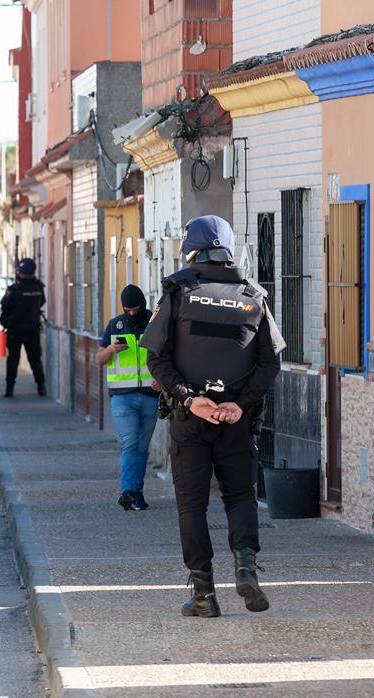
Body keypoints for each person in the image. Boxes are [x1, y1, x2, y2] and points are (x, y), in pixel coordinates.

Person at [139, 215, 284, 618]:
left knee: (192, 505)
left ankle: (204, 594)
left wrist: (189, 399)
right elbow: (270, 362)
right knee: (240, 497)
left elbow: (156, 358)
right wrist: (240, 403)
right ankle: (246, 569)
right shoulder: (253, 294)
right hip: (236, 419)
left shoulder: (179, 290)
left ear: (192, 248)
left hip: (192, 418)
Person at [96, 284, 158, 511]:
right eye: (128, 310)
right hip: (123, 397)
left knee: (142, 447)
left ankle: (137, 492)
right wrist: (111, 349)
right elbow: (99, 359)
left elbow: (168, 355)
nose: (132, 313)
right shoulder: (115, 325)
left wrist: (162, 380)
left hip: (151, 395)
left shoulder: (155, 323)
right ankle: (127, 491)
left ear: (143, 304)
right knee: (130, 443)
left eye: (136, 309)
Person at [0, 258, 47, 398]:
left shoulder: (14, 289)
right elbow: (42, 302)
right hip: (32, 328)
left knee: (13, 360)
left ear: (20, 273)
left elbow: (4, 305)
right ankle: (41, 387)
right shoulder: (38, 287)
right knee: (35, 360)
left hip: (15, 329)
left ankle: (9, 390)